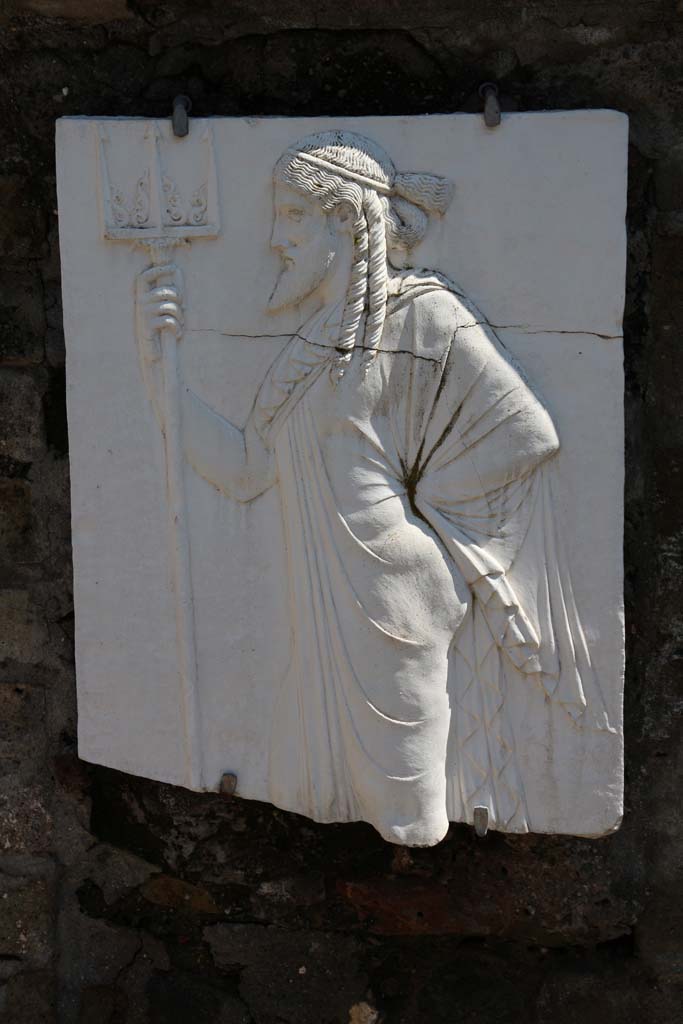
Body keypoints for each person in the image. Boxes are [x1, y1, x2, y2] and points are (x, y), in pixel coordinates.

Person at [136, 130, 609, 846]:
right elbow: (243, 468)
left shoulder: (423, 314)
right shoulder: (312, 343)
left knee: (410, 818)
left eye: (292, 216)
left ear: (346, 221)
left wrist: (429, 518)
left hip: (394, 603)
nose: (275, 239)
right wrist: (157, 374)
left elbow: (526, 433)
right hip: (317, 612)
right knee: (312, 796)